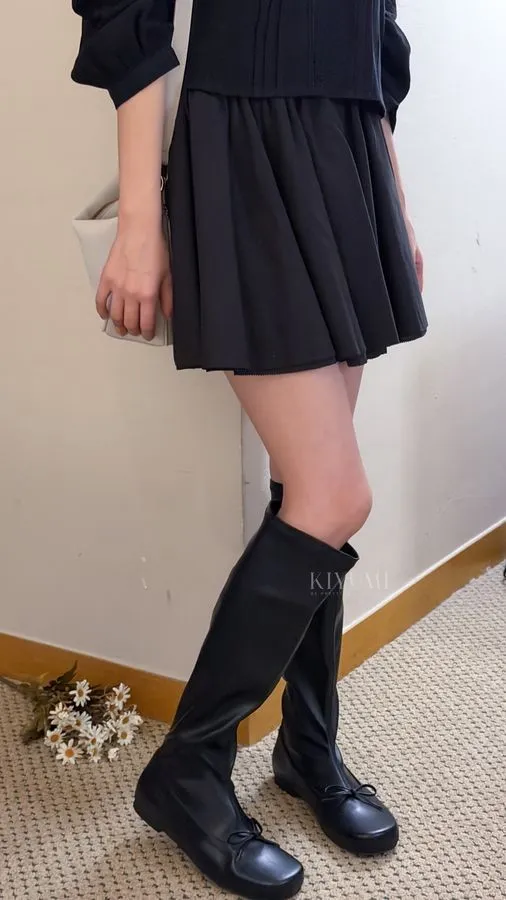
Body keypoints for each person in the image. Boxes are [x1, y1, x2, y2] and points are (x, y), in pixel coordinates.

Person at [71, 2, 427, 898]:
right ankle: (189, 769)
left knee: (308, 493)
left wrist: (394, 194)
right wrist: (142, 218)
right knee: (334, 495)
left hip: (350, 146)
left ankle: (308, 747)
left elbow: (377, 32)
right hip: (247, 140)